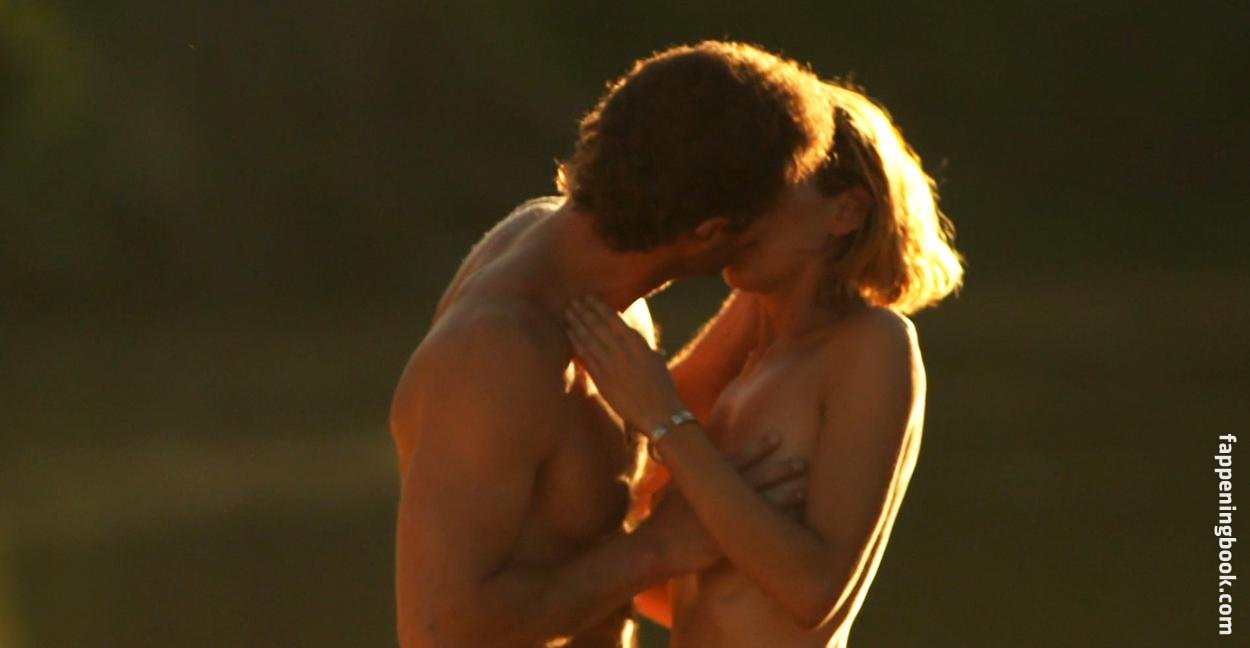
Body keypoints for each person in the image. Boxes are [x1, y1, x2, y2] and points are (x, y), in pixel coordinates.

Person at [390, 41, 836, 647]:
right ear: (710, 231)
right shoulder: (497, 351)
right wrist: (655, 550)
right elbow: (437, 631)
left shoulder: (595, 283)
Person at [564, 81, 965, 647]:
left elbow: (814, 592)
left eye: (766, 193)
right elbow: (698, 585)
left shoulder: (873, 344)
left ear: (845, 211)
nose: (734, 215)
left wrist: (666, 421)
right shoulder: (756, 359)